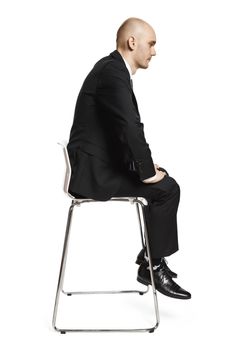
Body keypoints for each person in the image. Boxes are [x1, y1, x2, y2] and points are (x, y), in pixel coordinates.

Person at [67, 17, 191, 299]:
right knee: (166, 189)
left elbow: (116, 134)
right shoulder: (112, 73)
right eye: (151, 43)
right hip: (92, 175)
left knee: (163, 181)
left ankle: (151, 258)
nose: (154, 51)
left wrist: (143, 167)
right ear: (132, 42)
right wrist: (145, 173)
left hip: (96, 166)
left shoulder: (112, 70)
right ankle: (152, 264)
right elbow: (128, 127)